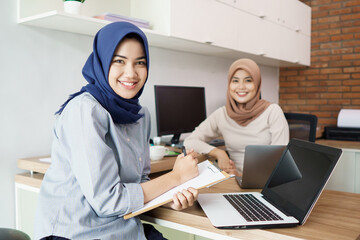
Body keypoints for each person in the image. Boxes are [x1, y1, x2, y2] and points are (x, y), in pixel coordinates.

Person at [34, 22, 199, 240]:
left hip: (124, 229)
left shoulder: (140, 115)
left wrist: (171, 197)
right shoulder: (85, 111)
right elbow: (107, 201)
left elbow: (140, 180)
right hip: (77, 233)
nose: (131, 73)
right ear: (102, 63)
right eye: (119, 61)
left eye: (140, 62)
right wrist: (176, 177)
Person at [184, 58, 289, 176]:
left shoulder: (273, 111)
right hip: (233, 181)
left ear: (257, 84)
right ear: (229, 84)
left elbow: (281, 161)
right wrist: (218, 153)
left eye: (248, 80)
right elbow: (189, 141)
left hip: (266, 183)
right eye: (235, 81)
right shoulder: (222, 114)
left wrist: (241, 176)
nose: (241, 86)